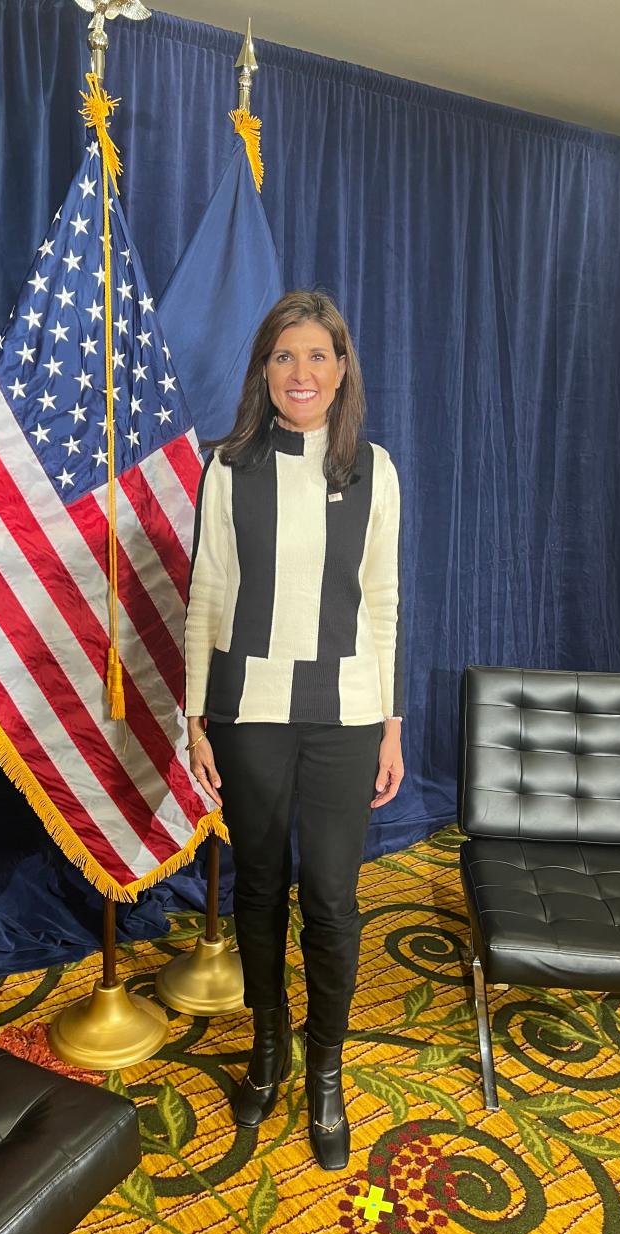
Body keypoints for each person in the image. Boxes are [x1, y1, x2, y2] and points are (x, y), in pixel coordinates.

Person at [183, 290, 404, 1171]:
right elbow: (205, 592)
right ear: (263, 371)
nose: (300, 373)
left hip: (347, 714)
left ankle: (325, 1066)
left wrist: (389, 725)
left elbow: (384, 604)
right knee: (261, 889)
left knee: (334, 901)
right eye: (283, 357)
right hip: (248, 711)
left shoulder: (376, 470)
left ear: (342, 368)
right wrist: (195, 716)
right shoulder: (229, 465)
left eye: (317, 356)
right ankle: (268, 1046)